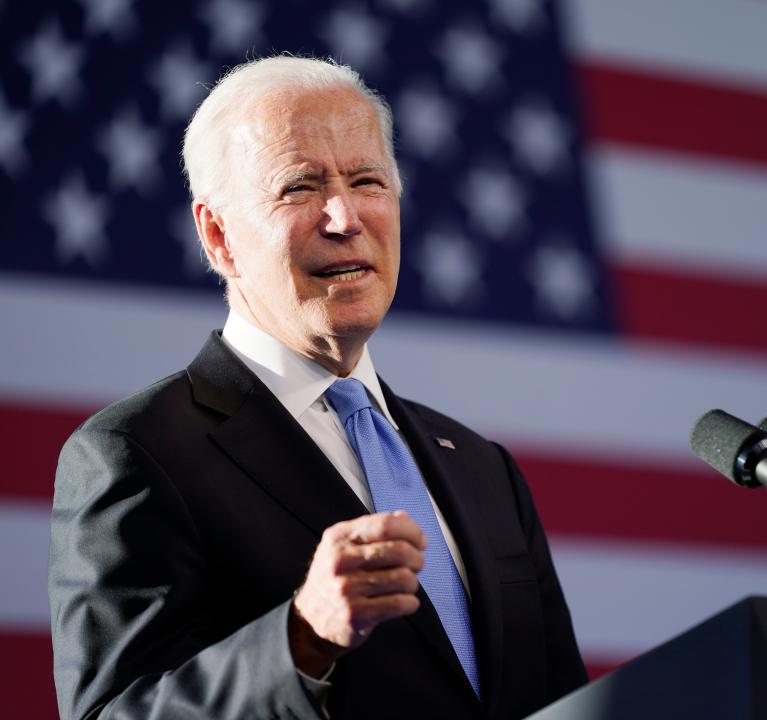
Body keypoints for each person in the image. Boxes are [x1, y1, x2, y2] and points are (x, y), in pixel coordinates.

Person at [49, 55, 587, 719]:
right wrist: (301, 638)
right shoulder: (135, 454)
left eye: (367, 181)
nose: (344, 216)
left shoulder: (483, 467)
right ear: (218, 237)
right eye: (300, 188)